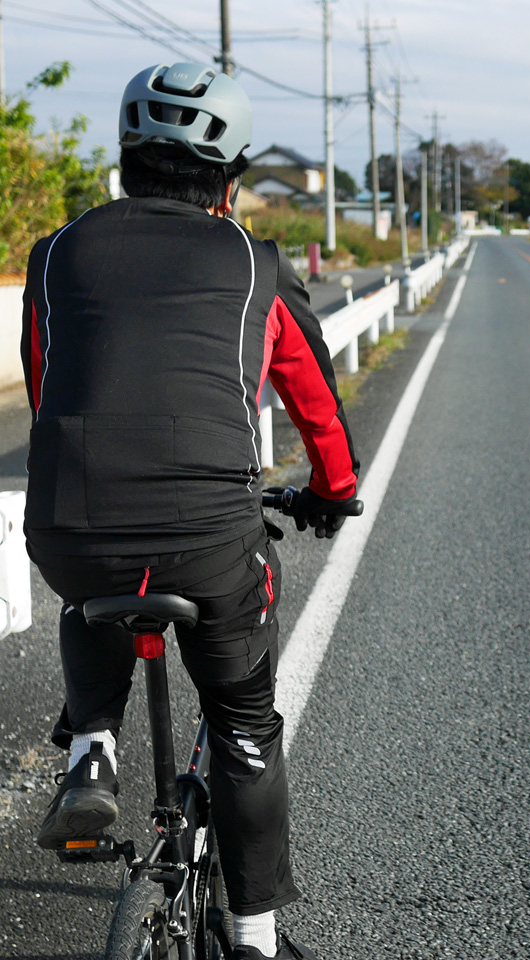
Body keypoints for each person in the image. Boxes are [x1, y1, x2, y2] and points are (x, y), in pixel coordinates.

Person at [21, 62, 357, 960]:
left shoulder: (54, 253)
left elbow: (51, 387)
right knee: (246, 725)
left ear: (126, 159)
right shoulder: (253, 260)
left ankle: (91, 747)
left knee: (91, 568)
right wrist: (335, 492)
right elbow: (316, 406)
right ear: (230, 179)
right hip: (208, 536)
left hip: (66, 522)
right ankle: (252, 936)